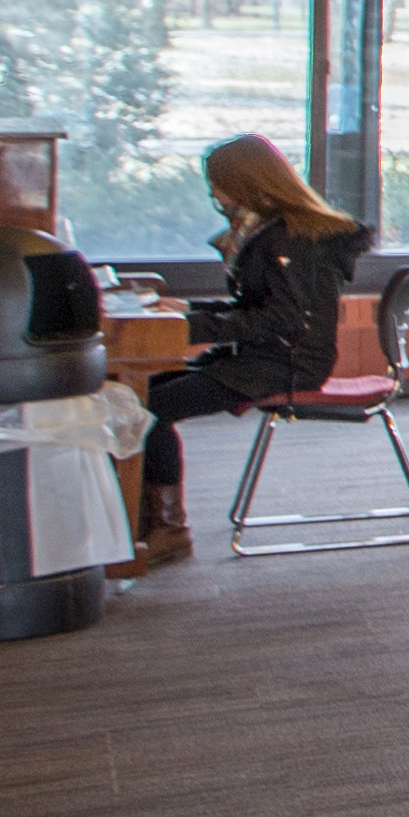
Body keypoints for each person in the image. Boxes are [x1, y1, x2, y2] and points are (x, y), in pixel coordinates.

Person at [133, 136, 368, 564]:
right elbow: (260, 308)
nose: (213, 193)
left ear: (245, 183)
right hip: (273, 355)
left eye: (218, 183)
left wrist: (190, 326)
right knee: (140, 396)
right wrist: (189, 310)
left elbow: (278, 320)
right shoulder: (276, 231)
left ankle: (168, 531)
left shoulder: (286, 239)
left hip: (286, 363)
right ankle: (144, 524)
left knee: (147, 410)